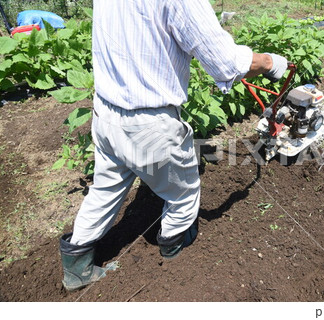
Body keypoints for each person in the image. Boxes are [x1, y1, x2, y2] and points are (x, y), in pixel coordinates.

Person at [59, 0, 288, 291]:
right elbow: (226, 63)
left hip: (105, 113)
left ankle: (77, 267)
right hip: (148, 122)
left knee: (105, 187)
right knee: (183, 191)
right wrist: (269, 61)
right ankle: (173, 247)